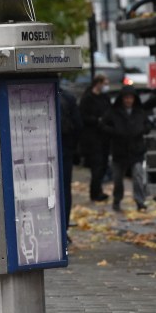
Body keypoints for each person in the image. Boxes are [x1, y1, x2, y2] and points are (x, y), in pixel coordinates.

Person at [100, 85, 151, 212]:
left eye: (130, 98)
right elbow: (103, 125)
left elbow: (147, 125)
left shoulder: (139, 112)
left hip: (136, 149)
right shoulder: (113, 112)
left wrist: (143, 130)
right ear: (122, 99)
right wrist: (115, 131)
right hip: (119, 150)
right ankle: (117, 200)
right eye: (126, 98)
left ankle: (140, 201)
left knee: (138, 176)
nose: (128, 100)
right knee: (118, 179)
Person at [79, 73, 112, 202]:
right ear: (98, 83)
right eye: (105, 83)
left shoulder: (104, 97)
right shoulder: (88, 98)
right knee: (97, 166)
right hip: (93, 138)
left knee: (103, 164)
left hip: (104, 136)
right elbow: (83, 116)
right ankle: (95, 192)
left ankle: (99, 190)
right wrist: (97, 120)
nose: (106, 86)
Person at [59, 87, 82, 241]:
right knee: (65, 189)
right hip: (65, 149)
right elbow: (78, 125)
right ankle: (64, 228)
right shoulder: (67, 97)